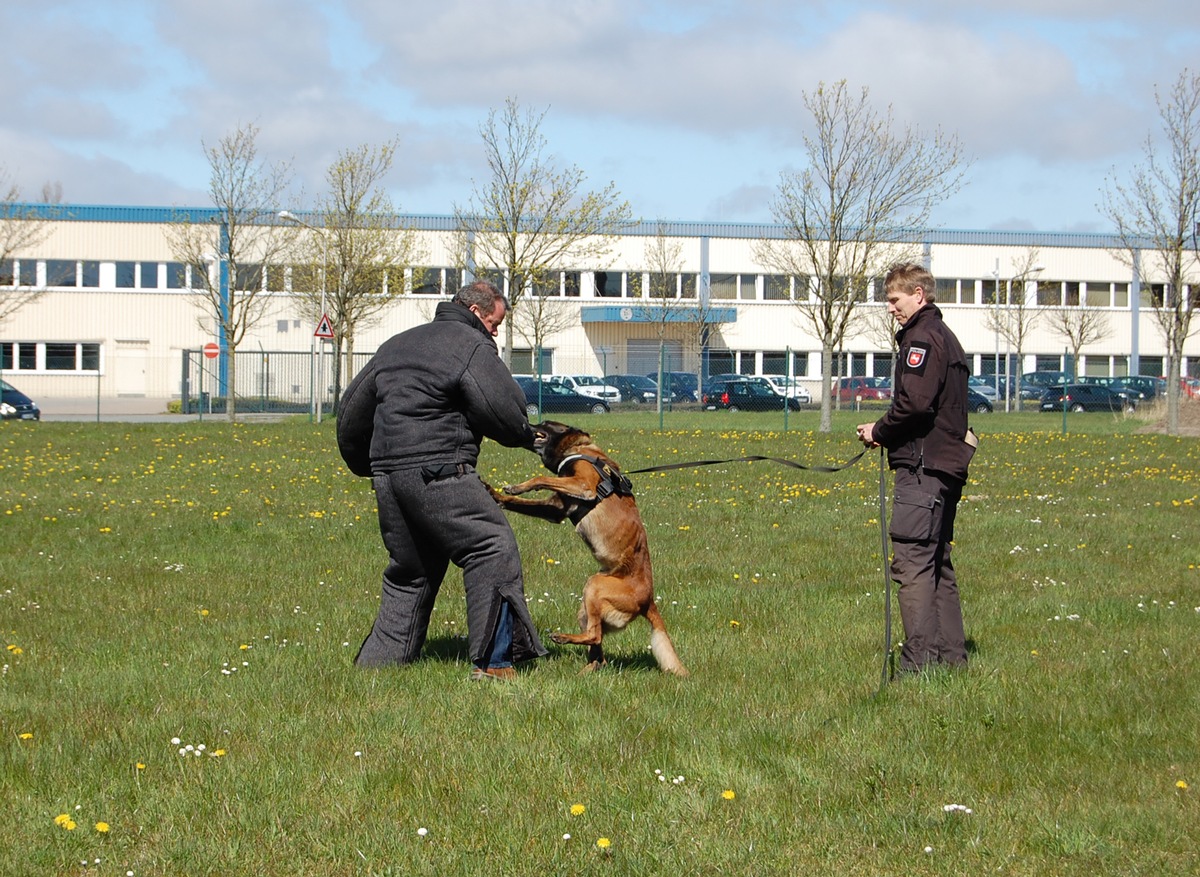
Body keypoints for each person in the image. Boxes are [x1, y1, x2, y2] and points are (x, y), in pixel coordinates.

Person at [337, 280, 548, 680]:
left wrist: (373, 466)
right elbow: (502, 411)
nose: (496, 331)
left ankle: (377, 670)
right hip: (441, 472)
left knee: (410, 572)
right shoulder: (469, 345)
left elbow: (350, 414)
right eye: (494, 321)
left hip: (388, 477)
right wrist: (526, 436)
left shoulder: (395, 345)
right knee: (491, 547)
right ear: (475, 313)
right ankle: (494, 663)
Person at [856, 262, 976, 673]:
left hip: (923, 469)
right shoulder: (948, 337)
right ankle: (951, 661)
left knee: (911, 562)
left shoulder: (922, 338)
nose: (891, 308)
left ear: (918, 295)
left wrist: (879, 430)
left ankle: (918, 664)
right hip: (947, 465)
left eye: (895, 299)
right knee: (936, 561)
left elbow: (915, 404)